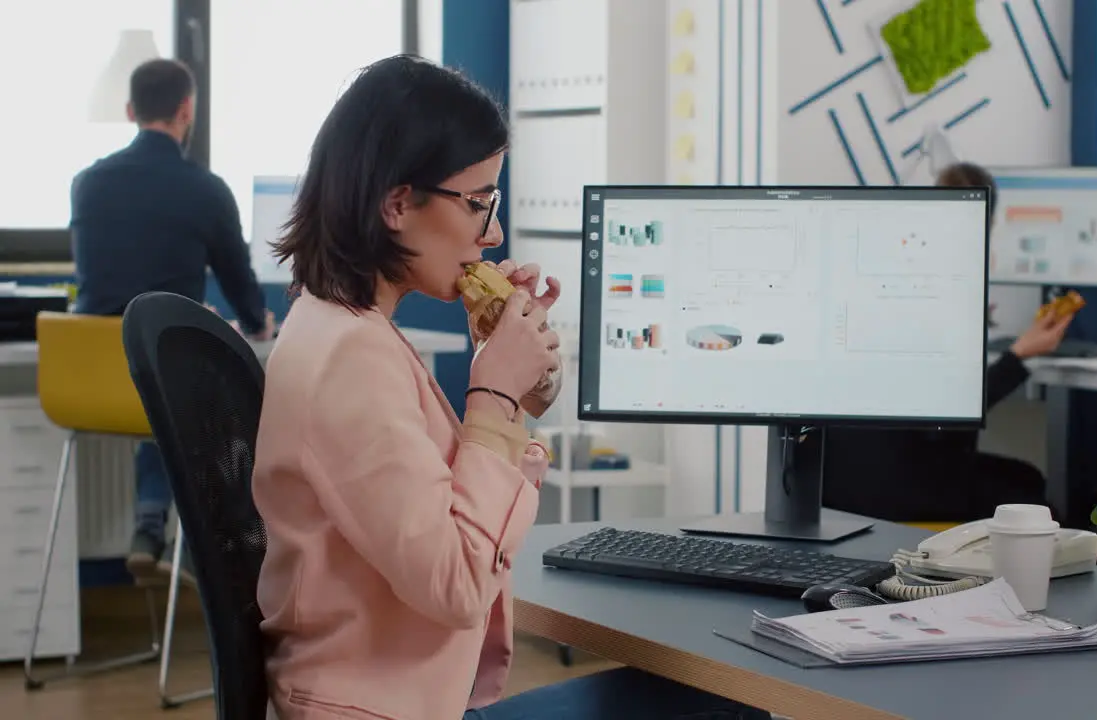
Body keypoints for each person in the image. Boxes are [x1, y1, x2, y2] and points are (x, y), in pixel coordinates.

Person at [252, 55, 769, 720]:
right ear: (397, 203)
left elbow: (438, 505)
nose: (492, 232)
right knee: (725, 709)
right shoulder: (350, 358)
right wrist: (493, 396)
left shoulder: (337, 327)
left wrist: (518, 386)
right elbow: (459, 581)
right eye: (477, 203)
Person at [69, 58, 274, 585]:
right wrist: (259, 323)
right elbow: (238, 283)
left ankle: (150, 524)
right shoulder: (205, 190)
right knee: (208, 388)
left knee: (163, 380)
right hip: (162, 374)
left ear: (131, 110)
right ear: (188, 110)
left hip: (91, 377)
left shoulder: (87, 184)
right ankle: (225, 551)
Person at [814, 162, 1074, 522]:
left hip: (840, 482)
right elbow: (948, 416)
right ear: (988, 225)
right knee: (1042, 509)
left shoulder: (889, 275)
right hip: (903, 484)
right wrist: (1019, 353)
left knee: (1027, 478)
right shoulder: (944, 290)